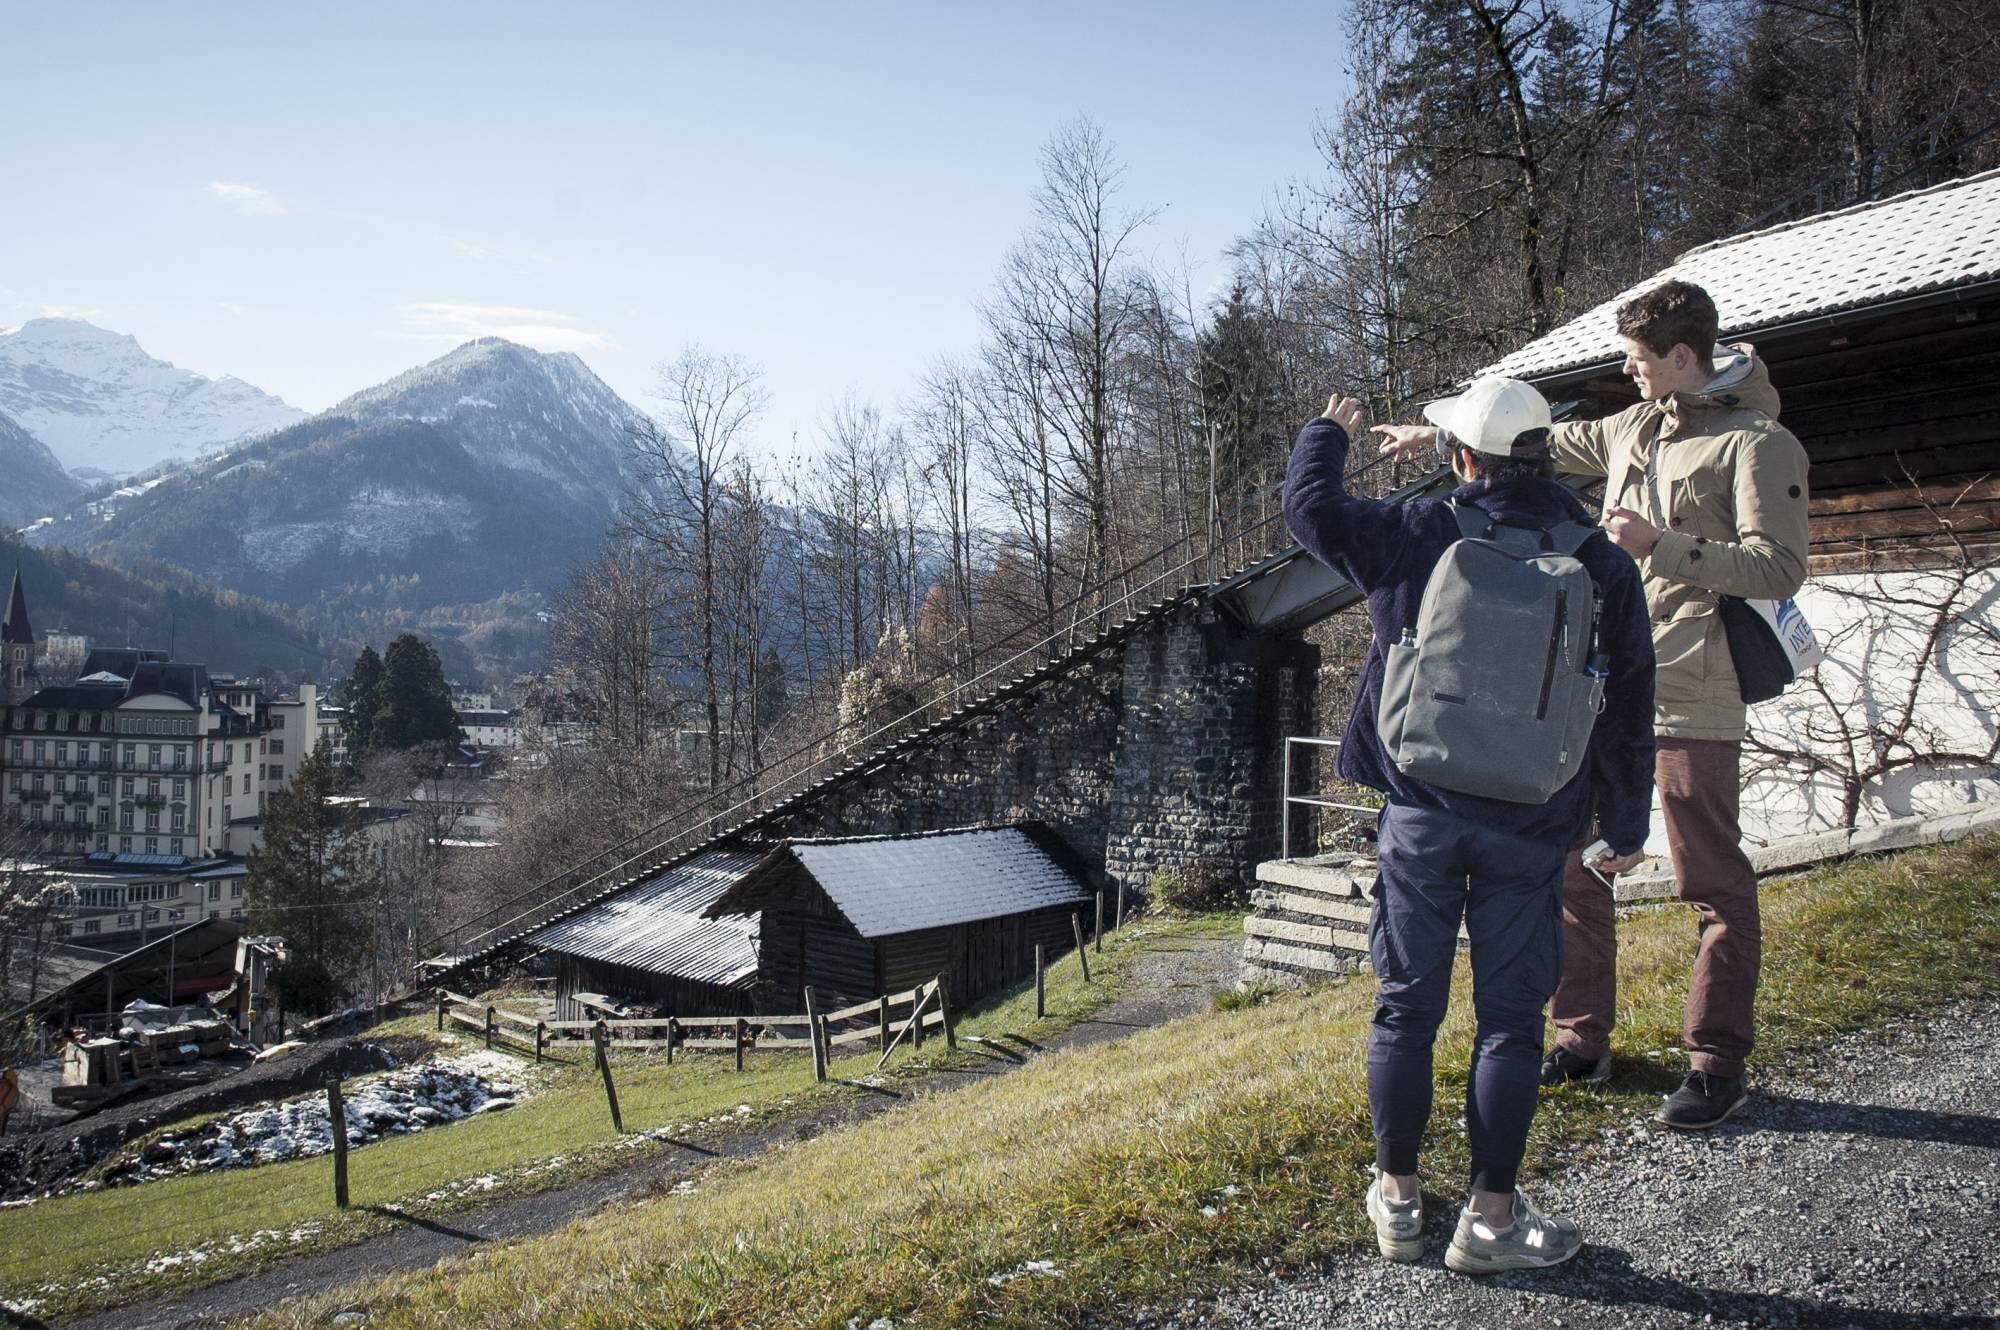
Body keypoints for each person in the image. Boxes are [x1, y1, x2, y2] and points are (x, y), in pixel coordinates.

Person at [1375, 281, 1810, 1130]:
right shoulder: (1636, 425)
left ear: (1683, 358)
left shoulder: (1759, 445)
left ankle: (1716, 1061)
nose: (1627, 369)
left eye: (1639, 358)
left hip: (1693, 688)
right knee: (1573, 870)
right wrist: (1442, 433)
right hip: (1600, 692)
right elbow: (1559, 440)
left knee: (1709, 879)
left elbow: (1779, 568)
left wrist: (1663, 548)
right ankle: (1581, 1041)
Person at [1285, 379, 1655, 1273]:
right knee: (1509, 1023)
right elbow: (1630, 704)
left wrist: (1329, 432)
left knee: (1406, 1008)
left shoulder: (1417, 534)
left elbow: (1311, 511)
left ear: (1462, 459)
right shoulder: (1602, 563)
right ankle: (1491, 1221)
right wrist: (1626, 823)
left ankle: (1400, 1201)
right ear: (1546, 453)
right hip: (1534, 822)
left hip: (1421, 810)